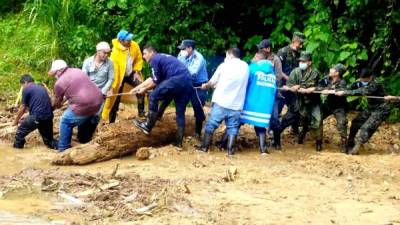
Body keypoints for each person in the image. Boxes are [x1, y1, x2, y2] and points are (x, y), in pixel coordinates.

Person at [131, 45, 193, 149]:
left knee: (153, 96)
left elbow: (155, 82)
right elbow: (153, 78)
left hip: (177, 79)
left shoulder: (154, 60)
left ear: (151, 53)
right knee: (180, 112)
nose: (143, 56)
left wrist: (144, 90)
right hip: (188, 82)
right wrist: (136, 88)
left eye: (145, 54)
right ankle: (178, 142)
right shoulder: (162, 58)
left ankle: (147, 125)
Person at [196, 48, 249, 156]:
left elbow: (212, 82)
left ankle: (204, 147)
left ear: (229, 55)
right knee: (233, 128)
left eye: (226, 56)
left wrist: (205, 85)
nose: (225, 58)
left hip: (222, 102)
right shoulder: (245, 67)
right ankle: (230, 151)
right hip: (237, 105)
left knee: (211, 125)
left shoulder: (224, 66)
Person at [49, 59, 103, 151]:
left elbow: (57, 103)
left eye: (55, 74)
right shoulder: (77, 70)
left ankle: (63, 147)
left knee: (65, 120)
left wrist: (54, 106)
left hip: (85, 104)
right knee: (86, 116)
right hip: (98, 100)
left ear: (59, 71)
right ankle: (84, 139)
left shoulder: (59, 83)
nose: (55, 76)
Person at [335, 68, 390, 155]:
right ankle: (350, 141)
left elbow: (363, 91)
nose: (362, 81)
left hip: (381, 109)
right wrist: (342, 90)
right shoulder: (362, 80)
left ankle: (357, 147)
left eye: (364, 80)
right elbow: (353, 86)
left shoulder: (376, 82)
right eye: (361, 79)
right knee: (356, 122)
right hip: (371, 107)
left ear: (370, 77)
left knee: (366, 127)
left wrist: (347, 93)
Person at [280, 51, 323, 151]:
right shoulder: (295, 71)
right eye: (300, 61)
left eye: (304, 61)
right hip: (298, 101)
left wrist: (299, 86)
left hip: (313, 102)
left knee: (317, 120)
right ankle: (276, 137)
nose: (301, 63)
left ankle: (318, 143)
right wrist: (291, 87)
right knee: (287, 119)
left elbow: (312, 84)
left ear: (309, 62)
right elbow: (290, 84)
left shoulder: (315, 72)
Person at [102, 29, 145, 123]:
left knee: (141, 88)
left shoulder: (134, 45)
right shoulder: (115, 53)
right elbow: (114, 71)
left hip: (131, 73)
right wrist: (114, 86)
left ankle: (141, 114)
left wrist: (137, 71)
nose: (130, 41)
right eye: (127, 40)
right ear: (121, 41)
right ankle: (111, 120)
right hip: (119, 77)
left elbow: (139, 59)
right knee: (115, 98)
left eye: (130, 39)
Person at [240, 50, 277, 155]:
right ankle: (263, 149)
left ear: (257, 57)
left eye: (254, 57)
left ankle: (224, 144)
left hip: (250, 103)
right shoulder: (272, 72)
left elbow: (244, 83)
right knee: (260, 127)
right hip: (264, 106)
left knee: (236, 123)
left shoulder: (252, 68)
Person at [13, 74, 57, 149]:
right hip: (48, 117)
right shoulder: (41, 88)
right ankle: (63, 147)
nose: (22, 87)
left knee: (20, 132)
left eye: (22, 85)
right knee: (49, 141)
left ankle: (16, 151)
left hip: (37, 117)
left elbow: (23, 107)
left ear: (25, 82)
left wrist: (16, 121)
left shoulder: (26, 89)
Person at [257, 39, 285, 150]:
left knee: (274, 118)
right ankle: (262, 142)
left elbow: (278, 77)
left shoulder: (276, 59)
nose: (260, 50)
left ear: (268, 49)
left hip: (272, 93)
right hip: (259, 93)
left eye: (262, 48)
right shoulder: (258, 57)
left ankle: (277, 142)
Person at [177, 39, 208, 139]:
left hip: (198, 85)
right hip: (186, 83)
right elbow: (177, 67)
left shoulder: (199, 58)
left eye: (183, 48)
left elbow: (192, 73)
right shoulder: (182, 55)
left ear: (190, 48)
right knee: (180, 105)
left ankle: (198, 133)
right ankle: (180, 134)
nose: (181, 51)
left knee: (198, 107)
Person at [277, 32, 306, 135]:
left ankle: (294, 128)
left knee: (295, 108)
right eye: (300, 43)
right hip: (283, 86)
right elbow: (278, 69)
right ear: (295, 41)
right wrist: (289, 79)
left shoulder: (299, 54)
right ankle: (273, 129)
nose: (301, 46)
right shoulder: (282, 52)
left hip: (294, 87)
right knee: (278, 109)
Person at [317, 64, 348, 152]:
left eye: (332, 69)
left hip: (339, 107)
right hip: (328, 105)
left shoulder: (342, 82)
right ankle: (318, 141)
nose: (330, 70)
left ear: (337, 73)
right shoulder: (327, 78)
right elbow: (319, 84)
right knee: (317, 118)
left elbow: (342, 90)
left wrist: (329, 90)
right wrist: (322, 89)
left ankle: (344, 144)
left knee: (341, 124)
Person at [82, 41, 114, 115]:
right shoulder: (87, 62)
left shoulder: (110, 62)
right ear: (98, 52)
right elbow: (83, 79)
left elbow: (111, 78)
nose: (106, 55)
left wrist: (104, 91)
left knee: (96, 116)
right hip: (89, 92)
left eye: (108, 53)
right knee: (85, 114)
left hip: (102, 92)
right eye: (104, 53)